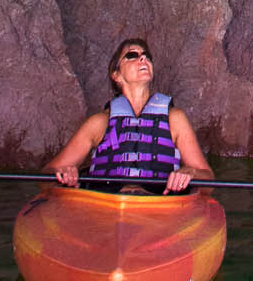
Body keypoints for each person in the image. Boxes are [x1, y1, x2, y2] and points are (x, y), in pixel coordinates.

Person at [48, 37, 213, 194]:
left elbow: (208, 181)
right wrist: (65, 173)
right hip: (105, 205)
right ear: (116, 75)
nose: (143, 59)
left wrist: (191, 172)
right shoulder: (99, 123)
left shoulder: (175, 119)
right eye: (132, 56)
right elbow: (47, 175)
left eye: (146, 56)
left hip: (160, 207)